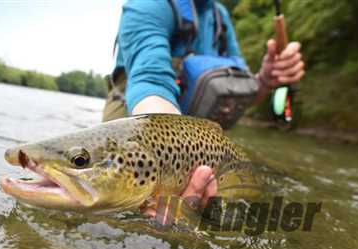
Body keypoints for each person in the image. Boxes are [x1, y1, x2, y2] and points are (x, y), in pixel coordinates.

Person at [102, 0, 305, 216]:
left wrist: (264, 81)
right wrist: (172, 155)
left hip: (197, 142)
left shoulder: (220, 17)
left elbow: (238, 95)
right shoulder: (148, 5)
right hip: (138, 127)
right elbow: (151, 81)